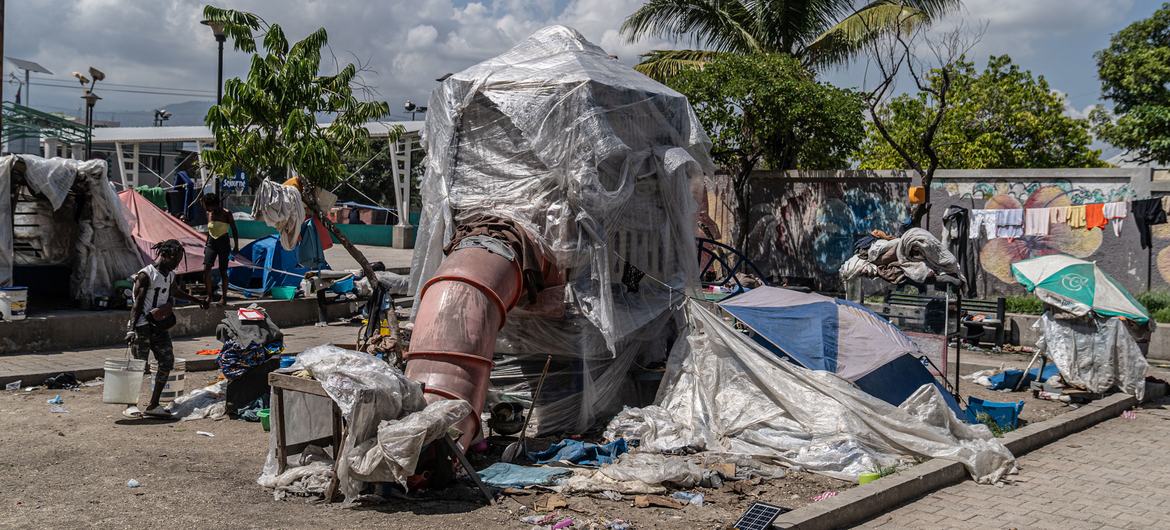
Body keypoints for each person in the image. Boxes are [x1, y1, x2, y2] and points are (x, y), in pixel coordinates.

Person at [124, 240, 209, 418]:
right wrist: (131, 328)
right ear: (165, 256)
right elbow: (137, 305)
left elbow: (175, 291)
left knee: (166, 362)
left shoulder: (169, 275)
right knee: (139, 365)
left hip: (159, 327)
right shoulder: (145, 275)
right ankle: (130, 405)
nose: (177, 264)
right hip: (142, 327)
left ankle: (153, 405)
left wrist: (198, 301)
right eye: (176, 260)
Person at [201, 193, 239, 307]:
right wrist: (206, 245)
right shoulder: (209, 213)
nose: (207, 208)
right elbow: (209, 231)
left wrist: (236, 246)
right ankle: (209, 295)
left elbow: (234, 229)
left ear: (214, 205)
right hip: (211, 244)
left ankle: (224, 297)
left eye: (208, 206)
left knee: (223, 271)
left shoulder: (226, 213)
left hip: (223, 243)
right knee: (206, 269)